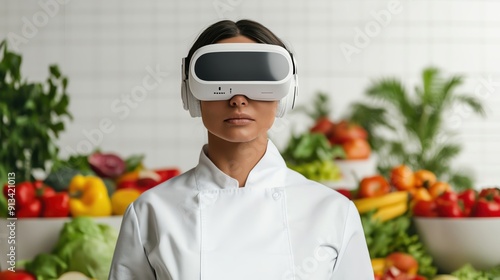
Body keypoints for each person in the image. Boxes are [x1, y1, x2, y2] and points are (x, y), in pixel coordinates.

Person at [108, 19, 373, 280]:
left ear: (286, 93)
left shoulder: (333, 212)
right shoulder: (150, 213)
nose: (238, 100)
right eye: (220, 81)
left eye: (256, 79)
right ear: (191, 94)